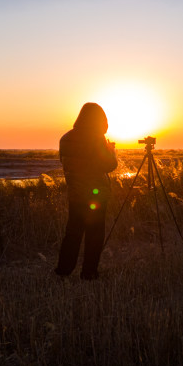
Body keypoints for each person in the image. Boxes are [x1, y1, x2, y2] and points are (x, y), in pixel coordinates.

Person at [55, 102, 118, 280]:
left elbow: (68, 164)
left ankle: (63, 271)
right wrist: (111, 151)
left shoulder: (65, 138)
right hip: (96, 194)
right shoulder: (96, 139)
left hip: (75, 193)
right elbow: (109, 165)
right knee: (94, 234)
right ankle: (89, 273)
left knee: (72, 233)